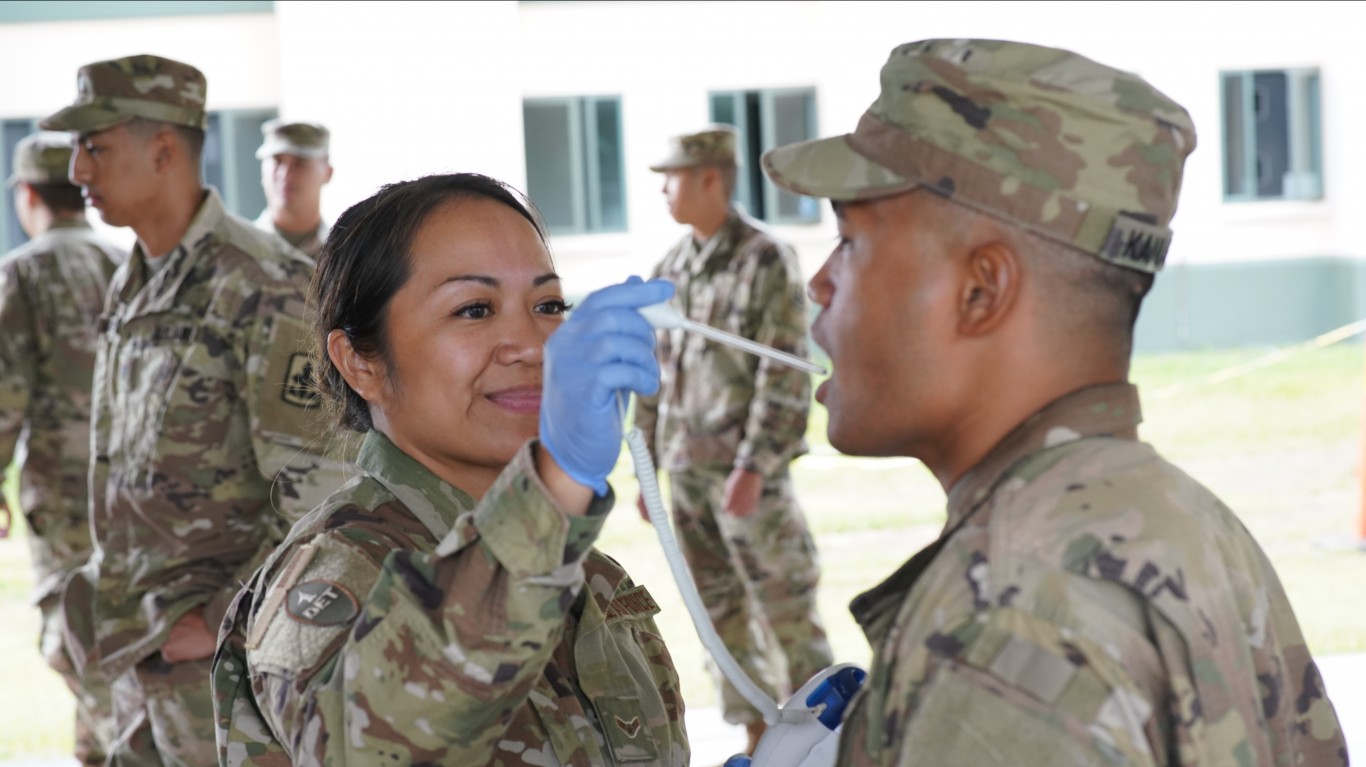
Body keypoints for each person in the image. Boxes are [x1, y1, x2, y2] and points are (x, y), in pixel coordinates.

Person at [757, 38, 1348, 765]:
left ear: (981, 290)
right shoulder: (1186, 520)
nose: (820, 283)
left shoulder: (1009, 620)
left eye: (849, 239)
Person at [212, 173, 690, 766]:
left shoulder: (584, 570)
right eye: (474, 310)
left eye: (548, 305)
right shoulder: (339, 566)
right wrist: (555, 483)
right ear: (361, 362)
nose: (530, 343)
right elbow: (368, 749)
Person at [40, 54, 350, 765]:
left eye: (94, 146)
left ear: (163, 149)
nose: (78, 171)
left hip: (221, 672)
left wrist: (218, 618)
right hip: (140, 657)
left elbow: (320, 486)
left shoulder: (260, 282)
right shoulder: (137, 277)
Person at [637, 125, 832, 752]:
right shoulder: (670, 268)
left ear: (711, 179)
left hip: (748, 478)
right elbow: (650, 374)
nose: (664, 190)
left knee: (785, 610)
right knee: (718, 617)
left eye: (672, 178)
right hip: (685, 475)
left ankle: (826, 744)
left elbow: (782, 369)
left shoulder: (764, 259)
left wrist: (755, 465)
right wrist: (645, 467)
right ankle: (758, 741)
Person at [0, 130, 123, 766]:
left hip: (65, 496)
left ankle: (124, 749)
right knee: (112, 629)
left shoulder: (22, 273)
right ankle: (98, 752)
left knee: (73, 639)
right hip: (136, 493)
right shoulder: (125, 262)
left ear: (27, 195)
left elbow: (4, 394)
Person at [253, 119, 332, 259]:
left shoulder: (341, 252)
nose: (285, 175)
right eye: (277, 160)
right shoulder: (241, 248)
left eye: (300, 163)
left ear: (327, 173)